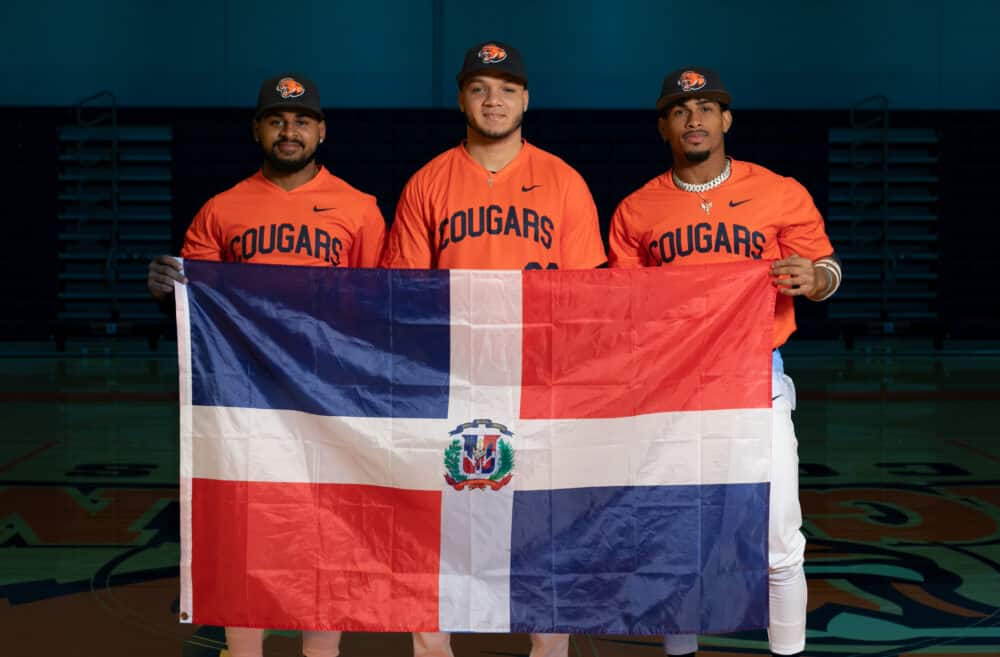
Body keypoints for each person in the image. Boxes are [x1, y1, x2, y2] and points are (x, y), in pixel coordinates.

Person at [147, 73, 387, 657]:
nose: (289, 130)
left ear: (321, 130)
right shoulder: (221, 209)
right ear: (257, 129)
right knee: (245, 529)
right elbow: (196, 309)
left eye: (302, 120)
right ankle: (243, 650)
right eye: (277, 120)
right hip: (244, 398)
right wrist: (167, 292)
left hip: (326, 396)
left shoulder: (359, 209)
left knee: (324, 531)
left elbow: (380, 311)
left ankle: (321, 652)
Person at [381, 41, 606, 657]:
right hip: (450, 376)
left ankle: (549, 647)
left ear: (526, 98)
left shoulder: (563, 181)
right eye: (480, 88)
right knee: (436, 521)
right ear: (461, 98)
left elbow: (587, 296)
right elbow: (403, 293)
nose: (493, 100)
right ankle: (433, 647)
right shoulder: (428, 181)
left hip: (538, 375)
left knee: (543, 521)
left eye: (506, 89)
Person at [607, 67, 841, 657]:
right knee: (678, 543)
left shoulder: (779, 191)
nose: (695, 120)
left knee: (778, 536)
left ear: (726, 120)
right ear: (664, 125)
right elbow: (621, 308)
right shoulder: (638, 210)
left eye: (707, 109)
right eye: (682, 111)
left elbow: (828, 270)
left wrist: (813, 278)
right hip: (673, 388)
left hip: (756, 378)